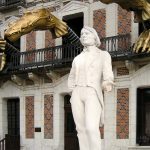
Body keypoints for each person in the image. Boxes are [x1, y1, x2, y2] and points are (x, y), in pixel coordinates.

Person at [68, 26, 114, 150]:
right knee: (80, 129)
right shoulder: (77, 58)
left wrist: (107, 82)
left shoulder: (103, 55)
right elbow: (71, 77)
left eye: (87, 33)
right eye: (82, 34)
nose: (83, 35)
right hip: (77, 92)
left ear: (95, 37)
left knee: (91, 127)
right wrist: (72, 92)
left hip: (92, 92)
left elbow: (108, 74)